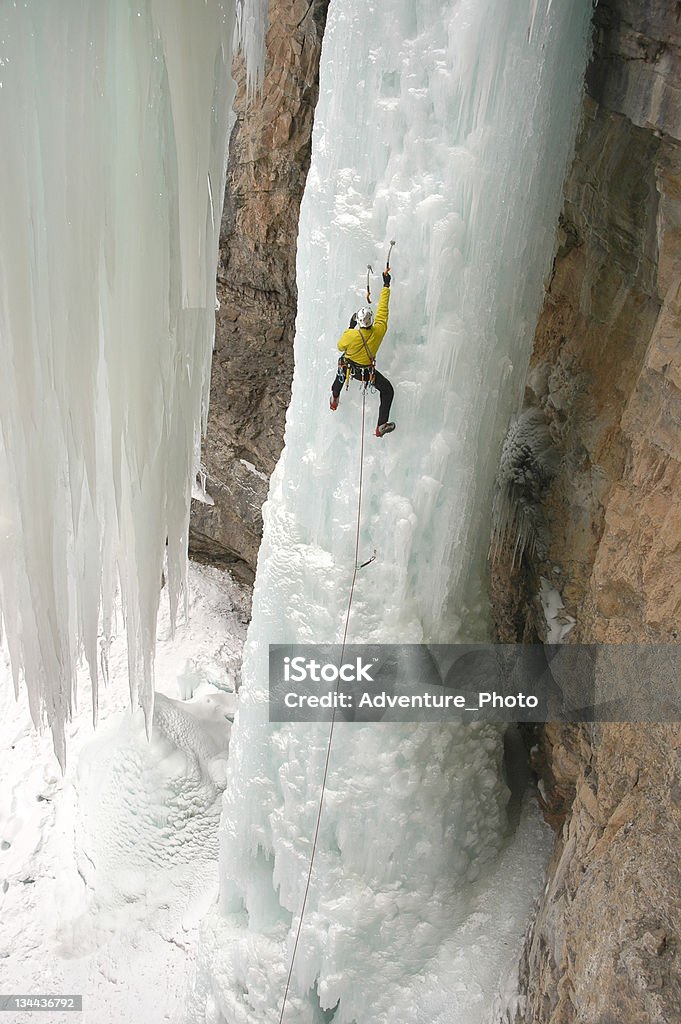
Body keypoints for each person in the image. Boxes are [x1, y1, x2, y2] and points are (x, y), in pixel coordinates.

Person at [329, 270, 396, 437]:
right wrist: (386, 286)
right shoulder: (378, 331)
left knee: (341, 372)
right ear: (371, 321)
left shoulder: (351, 335)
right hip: (367, 374)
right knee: (387, 390)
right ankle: (381, 425)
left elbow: (340, 346)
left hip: (349, 368)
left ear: (358, 321)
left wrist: (351, 327)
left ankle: (334, 398)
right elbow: (383, 311)